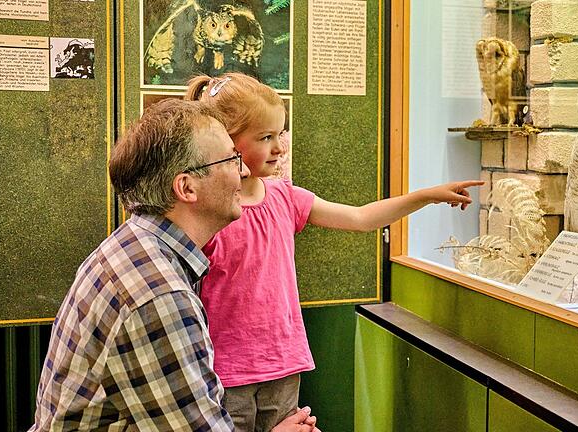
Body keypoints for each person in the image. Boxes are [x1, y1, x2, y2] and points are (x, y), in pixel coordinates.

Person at [185, 73, 483, 432]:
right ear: (227, 141)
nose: (280, 147)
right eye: (266, 137)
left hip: (283, 363)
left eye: (281, 133)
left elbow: (359, 218)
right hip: (225, 369)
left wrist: (426, 196)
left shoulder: (284, 197)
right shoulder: (212, 209)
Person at [29, 99, 320, 432]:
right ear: (186, 187)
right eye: (231, 159)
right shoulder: (160, 295)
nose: (242, 171)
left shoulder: (135, 246)